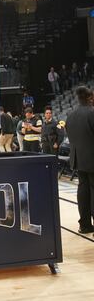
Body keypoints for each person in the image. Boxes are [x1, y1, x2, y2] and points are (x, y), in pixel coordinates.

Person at [65, 86, 94, 234]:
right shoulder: (92, 112)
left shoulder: (70, 115)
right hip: (92, 158)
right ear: (90, 98)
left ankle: (85, 224)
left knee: (83, 190)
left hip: (78, 159)